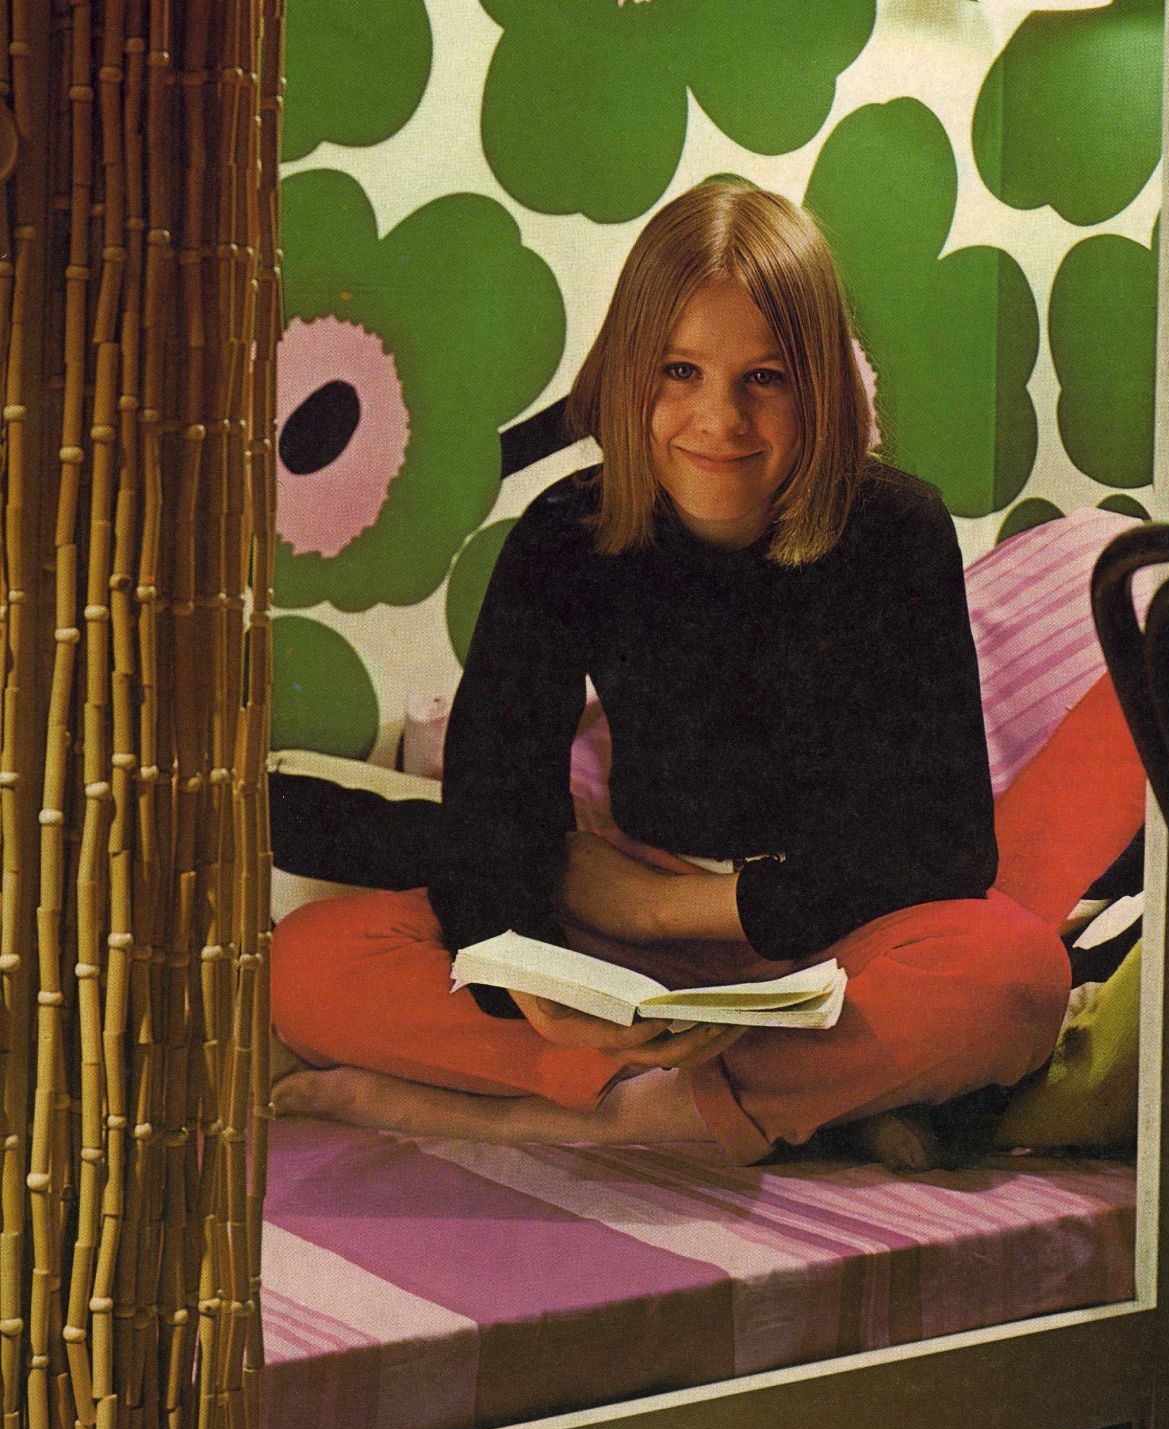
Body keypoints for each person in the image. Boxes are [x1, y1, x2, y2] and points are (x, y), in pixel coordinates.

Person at [270, 182, 1072, 1164]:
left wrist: (655, 905)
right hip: (618, 948)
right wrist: (530, 977)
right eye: (679, 371)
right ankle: (785, 1103)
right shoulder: (562, 534)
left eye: (764, 378)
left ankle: (596, 1116)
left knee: (1014, 978)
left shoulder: (897, 532)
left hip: (826, 941)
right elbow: (496, 807)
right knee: (308, 963)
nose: (717, 419)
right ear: (629, 374)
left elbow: (944, 848)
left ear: (820, 385)